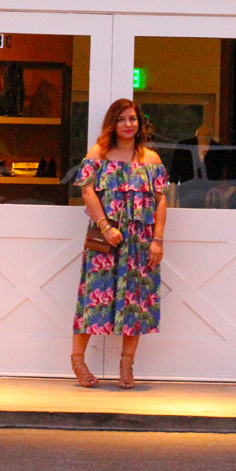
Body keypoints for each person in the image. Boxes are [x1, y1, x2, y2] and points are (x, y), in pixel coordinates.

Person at [70, 98, 167, 389]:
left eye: (133, 119)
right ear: (113, 123)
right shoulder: (98, 154)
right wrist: (105, 225)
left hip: (139, 243)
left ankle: (126, 367)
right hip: (105, 239)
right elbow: (87, 192)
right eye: (123, 119)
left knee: (134, 304)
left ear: (140, 124)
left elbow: (161, 201)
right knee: (92, 300)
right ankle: (78, 362)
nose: (128, 124)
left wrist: (157, 240)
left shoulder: (151, 160)